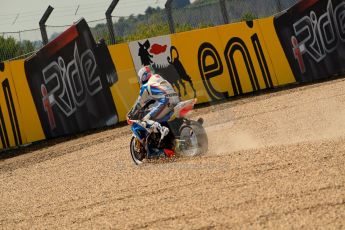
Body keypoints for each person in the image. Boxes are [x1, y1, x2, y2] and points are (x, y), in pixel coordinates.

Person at [127, 65, 180, 157]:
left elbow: (139, 103)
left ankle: (162, 130)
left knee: (146, 118)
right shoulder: (158, 79)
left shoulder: (145, 86)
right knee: (161, 117)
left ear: (143, 77)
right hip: (176, 101)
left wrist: (131, 113)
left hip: (165, 102)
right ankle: (168, 140)